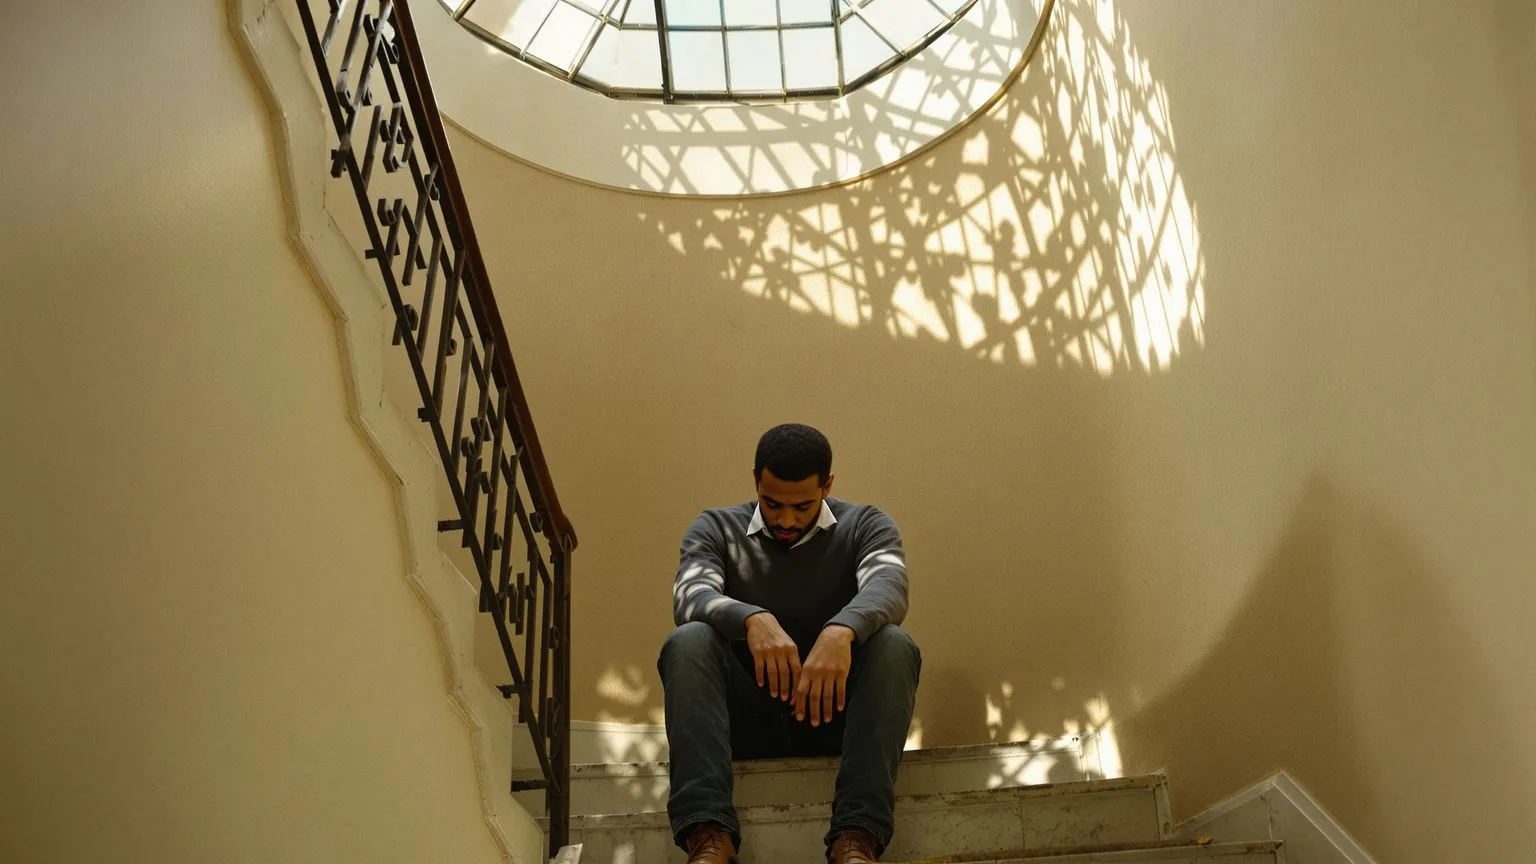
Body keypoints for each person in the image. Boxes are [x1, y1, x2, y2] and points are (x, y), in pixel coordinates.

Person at [658, 424, 921, 864]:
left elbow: (889, 585)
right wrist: (751, 618)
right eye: (771, 503)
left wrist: (842, 631)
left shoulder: (867, 525)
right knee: (689, 640)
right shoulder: (715, 527)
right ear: (756, 481)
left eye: (802, 506)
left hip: (837, 718)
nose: (785, 520)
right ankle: (708, 837)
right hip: (744, 722)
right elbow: (691, 595)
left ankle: (856, 837)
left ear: (828, 485)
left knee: (894, 644)